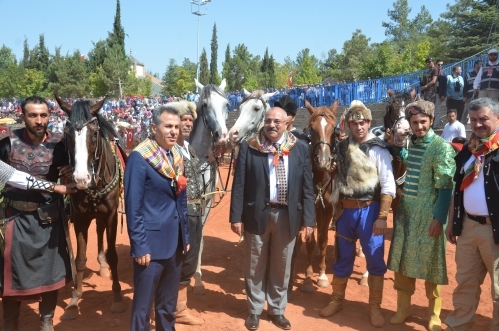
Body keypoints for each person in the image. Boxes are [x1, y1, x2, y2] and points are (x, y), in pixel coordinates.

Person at [230, 106, 315, 330]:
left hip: (288, 216)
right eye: (268, 121)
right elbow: (239, 184)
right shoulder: (250, 147)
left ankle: (277, 309)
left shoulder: (300, 148)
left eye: (277, 121)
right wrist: (236, 216)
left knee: (282, 265)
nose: (272, 125)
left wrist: (309, 220)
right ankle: (255, 310)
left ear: (287, 123)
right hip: (256, 214)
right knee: (254, 265)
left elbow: (308, 187)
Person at [0, 96, 75, 331]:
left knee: (51, 276)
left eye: (43, 115)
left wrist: (72, 172)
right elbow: (10, 176)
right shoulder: (6, 144)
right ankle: (11, 324)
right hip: (15, 220)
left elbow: (74, 176)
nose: (39, 120)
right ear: (23, 116)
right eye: (33, 115)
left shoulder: (60, 145)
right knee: (11, 277)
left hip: (49, 221)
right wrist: (55, 186)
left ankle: (46, 322)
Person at [319, 100, 396, 328]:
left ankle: (374, 307)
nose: (359, 127)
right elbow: (339, 181)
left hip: (370, 211)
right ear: (349, 125)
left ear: (369, 123)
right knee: (342, 257)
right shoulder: (341, 148)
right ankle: (337, 300)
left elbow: (388, 184)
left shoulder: (378, 148)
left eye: (362, 123)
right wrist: (333, 173)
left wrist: (382, 216)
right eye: (354, 123)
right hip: (345, 211)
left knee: (374, 258)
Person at [387, 99, 455, 331]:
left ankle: (434, 315)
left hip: (429, 218)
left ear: (432, 121)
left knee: (432, 267)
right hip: (406, 214)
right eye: (414, 122)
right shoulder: (413, 145)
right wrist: (396, 148)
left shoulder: (441, 147)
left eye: (423, 122)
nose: (419, 127)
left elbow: (446, 186)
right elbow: (408, 161)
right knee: (404, 264)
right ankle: (403, 309)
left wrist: (439, 218)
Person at [125, 105, 190, 331]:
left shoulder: (177, 156)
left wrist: (186, 234)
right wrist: (140, 246)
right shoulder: (140, 158)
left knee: (167, 304)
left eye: (176, 127)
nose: (173, 131)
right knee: (143, 308)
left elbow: (181, 200)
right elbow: (133, 206)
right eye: (168, 126)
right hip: (150, 246)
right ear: (154, 128)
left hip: (175, 242)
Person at [444, 97, 499, 331]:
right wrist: (451, 223)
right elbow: (458, 187)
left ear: (497, 118)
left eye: (484, 119)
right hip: (467, 227)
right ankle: (459, 326)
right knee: (465, 283)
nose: (478, 124)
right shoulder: (468, 149)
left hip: (494, 230)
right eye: (474, 120)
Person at [170, 101, 204, 325]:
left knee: (190, 261)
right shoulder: (167, 150)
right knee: (174, 260)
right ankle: (168, 308)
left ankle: (180, 309)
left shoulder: (189, 148)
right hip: (178, 213)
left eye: (191, 120)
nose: (188, 123)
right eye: (184, 119)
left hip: (194, 211)